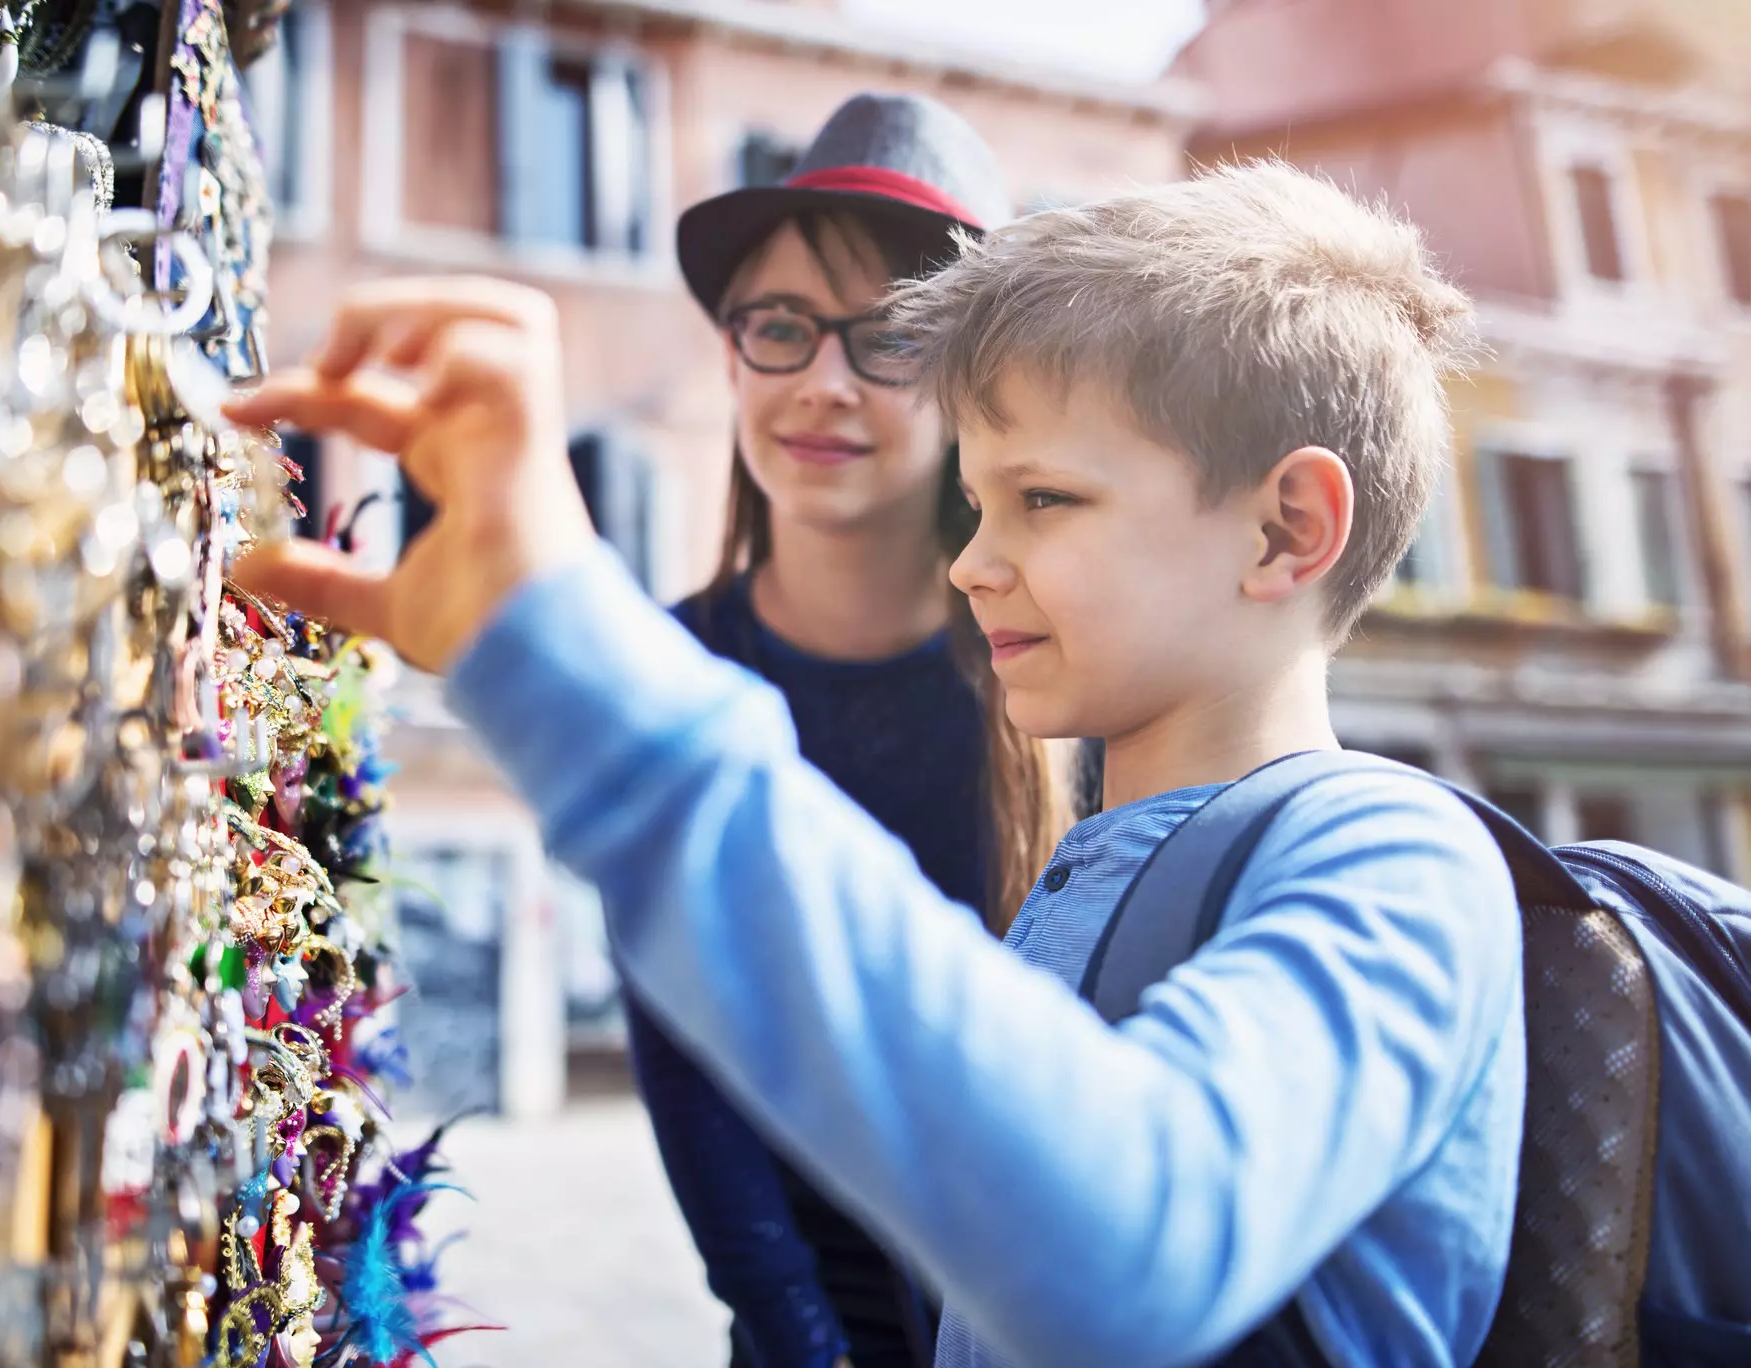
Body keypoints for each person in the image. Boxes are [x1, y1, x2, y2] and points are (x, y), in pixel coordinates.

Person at [226, 160, 1517, 1367]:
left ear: (1286, 528)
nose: (971, 560)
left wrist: (574, 665)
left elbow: (1134, 1248)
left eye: (1043, 500)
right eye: (978, 499)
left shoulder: (1396, 858)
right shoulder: (1099, 871)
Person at [627, 92, 1056, 1368]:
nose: (822, 382)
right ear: (730, 356)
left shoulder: (1061, 674)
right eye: (780, 327)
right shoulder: (668, 672)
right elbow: (692, 1075)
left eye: (890, 339)